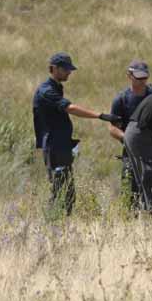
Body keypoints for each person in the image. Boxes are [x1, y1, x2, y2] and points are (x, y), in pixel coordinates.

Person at [33, 52, 121, 215]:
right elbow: (70, 108)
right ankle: (54, 228)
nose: (69, 72)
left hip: (61, 146)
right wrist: (100, 115)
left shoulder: (56, 88)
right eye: (65, 69)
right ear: (53, 69)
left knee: (67, 193)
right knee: (61, 193)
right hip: (54, 147)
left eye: (69, 69)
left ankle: (59, 227)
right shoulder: (47, 91)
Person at [108, 60, 152, 207]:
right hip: (131, 152)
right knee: (130, 189)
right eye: (139, 77)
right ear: (129, 76)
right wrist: (130, 138)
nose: (143, 81)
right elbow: (112, 128)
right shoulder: (121, 100)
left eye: (145, 77)